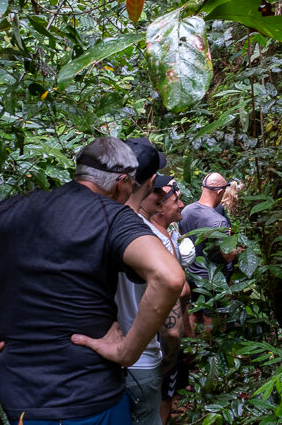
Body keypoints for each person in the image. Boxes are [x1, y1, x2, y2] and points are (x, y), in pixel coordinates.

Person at [0, 137, 185, 424]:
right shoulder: (114, 217)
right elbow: (169, 277)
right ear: (121, 182)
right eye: (131, 186)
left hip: (21, 400)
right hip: (91, 397)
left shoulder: (14, 209)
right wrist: (127, 352)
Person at [115, 173, 178, 425]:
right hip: (141, 359)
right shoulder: (152, 238)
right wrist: (167, 361)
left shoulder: (97, 225)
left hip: (98, 358)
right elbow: (172, 326)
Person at [148, 179, 194, 425]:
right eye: (175, 201)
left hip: (163, 335)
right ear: (158, 206)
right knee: (162, 396)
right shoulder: (153, 239)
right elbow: (178, 290)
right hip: (158, 337)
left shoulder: (170, 233)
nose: (181, 205)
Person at [179, 172, 237, 330]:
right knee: (211, 319)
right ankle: (210, 344)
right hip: (212, 279)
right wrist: (235, 246)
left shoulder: (185, 211)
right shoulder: (218, 221)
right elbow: (228, 256)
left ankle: (192, 343)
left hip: (191, 275)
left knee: (195, 313)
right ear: (220, 192)